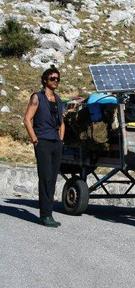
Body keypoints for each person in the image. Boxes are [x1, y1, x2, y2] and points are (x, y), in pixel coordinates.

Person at [23, 66, 65, 227]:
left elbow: (62, 121)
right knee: (45, 177)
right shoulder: (37, 97)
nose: (55, 81)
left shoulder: (58, 99)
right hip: (43, 142)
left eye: (57, 79)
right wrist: (35, 139)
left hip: (56, 143)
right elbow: (27, 119)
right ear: (45, 80)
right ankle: (45, 215)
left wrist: (61, 139)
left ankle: (48, 213)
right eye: (52, 78)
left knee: (53, 179)